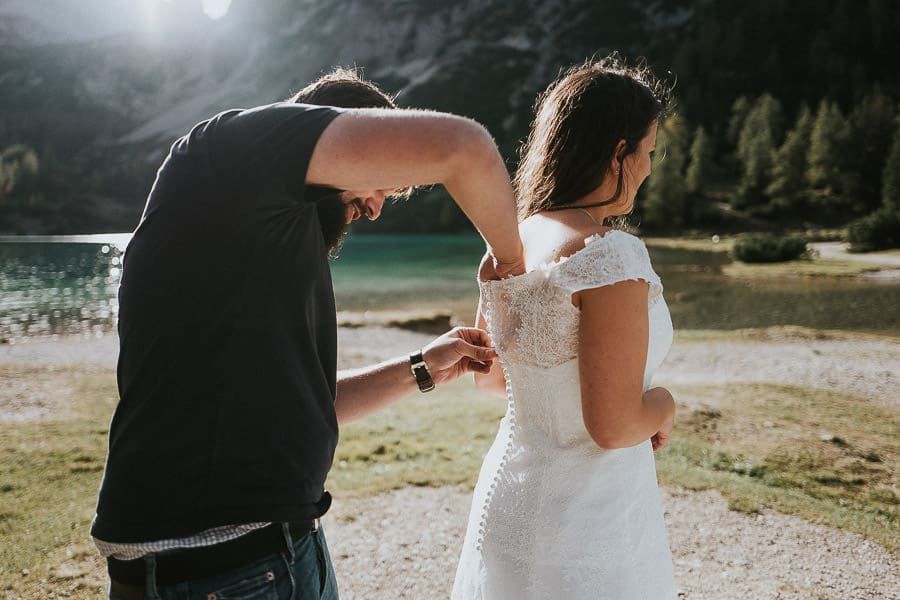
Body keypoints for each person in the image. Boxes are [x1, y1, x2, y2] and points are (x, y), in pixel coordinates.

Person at [92, 67, 524, 600]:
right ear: (340, 136)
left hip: (277, 550)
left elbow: (301, 403)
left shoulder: (267, 232)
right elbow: (467, 147)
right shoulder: (229, 147)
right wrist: (511, 265)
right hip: (213, 565)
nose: (375, 205)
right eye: (382, 179)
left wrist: (422, 367)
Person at [453, 55, 677, 599]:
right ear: (618, 152)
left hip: (509, 498)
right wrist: (665, 404)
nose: (649, 167)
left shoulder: (509, 244)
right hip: (588, 519)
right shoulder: (609, 255)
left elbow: (490, 380)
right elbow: (614, 425)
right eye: (647, 151)